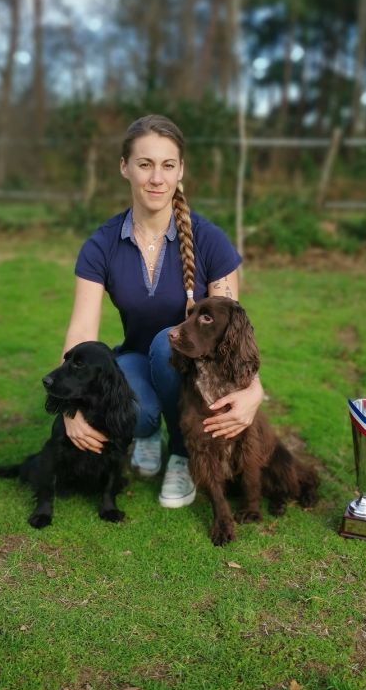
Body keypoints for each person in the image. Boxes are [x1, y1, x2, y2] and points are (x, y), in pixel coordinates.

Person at [61, 113, 264, 508]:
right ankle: (149, 431)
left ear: (181, 170)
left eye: (168, 165)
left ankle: (183, 455)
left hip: (199, 371)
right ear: (124, 167)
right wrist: (72, 405)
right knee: (130, 396)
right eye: (145, 164)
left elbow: (233, 331)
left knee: (164, 343)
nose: (157, 178)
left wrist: (254, 390)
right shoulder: (101, 244)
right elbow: (82, 331)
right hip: (136, 358)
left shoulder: (210, 240)